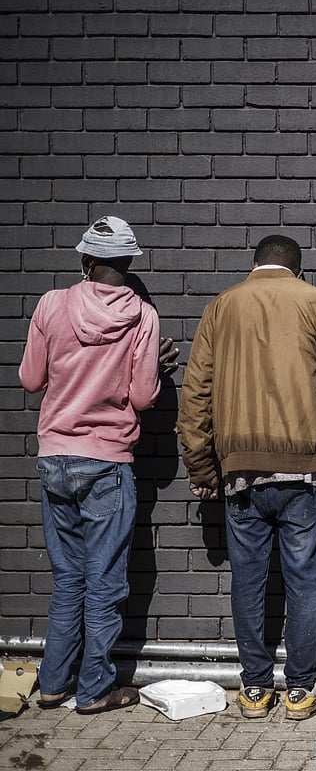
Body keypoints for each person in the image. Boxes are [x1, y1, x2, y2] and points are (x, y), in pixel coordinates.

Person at [177, 235, 316, 721]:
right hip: (304, 469)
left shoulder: (223, 306)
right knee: (303, 577)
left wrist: (202, 466)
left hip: (239, 472)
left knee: (248, 579)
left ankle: (255, 689)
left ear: (253, 263)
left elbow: (195, 393)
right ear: (297, 269)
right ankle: (301, 690)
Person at [19, 216, 161, 715]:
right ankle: (95, 688)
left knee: (69, 578)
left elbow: (31, 378)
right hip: (107, 461)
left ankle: (54, 682)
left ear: (86, 260)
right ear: (127, 262)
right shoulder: (143, 316)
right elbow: (142, 398)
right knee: (105, 581)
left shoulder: (51, 304)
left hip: (56, 456)